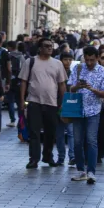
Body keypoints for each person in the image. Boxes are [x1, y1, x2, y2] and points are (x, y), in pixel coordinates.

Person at [67, 46, 104, 184]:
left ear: (97, 58)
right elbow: (70, 88)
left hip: (94, 111)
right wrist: (78, 86)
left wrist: (92, 89)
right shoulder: (78, 68)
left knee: (91, 140)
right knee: (77, 141)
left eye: (92, 60)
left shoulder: (103, 72)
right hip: (78, 110)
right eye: (87, 60)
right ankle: (81, 170)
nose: (89, 63)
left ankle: (91, 172)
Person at [20, 38, 67, 170]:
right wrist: (22, 100)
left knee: (50, 132)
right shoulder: (30, 62)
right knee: (34, 132)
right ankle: (34, 159)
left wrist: (64, 102)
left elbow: (62, 84)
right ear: (40, 48)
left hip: (52, 103)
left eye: (51, 46)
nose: (49, 48)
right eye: (46, 46)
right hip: (34, 101)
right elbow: (23, 82)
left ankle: (48, 156)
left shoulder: (57, 64)